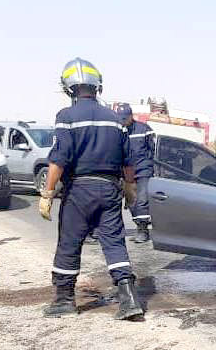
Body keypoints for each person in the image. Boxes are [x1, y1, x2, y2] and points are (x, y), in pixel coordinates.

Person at [39, 58, 144, 320]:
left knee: (69, 243)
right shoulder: (116, 119)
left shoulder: (66, 117)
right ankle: (129, 300)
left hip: (79, 191)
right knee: (114, 242)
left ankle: (64, 300)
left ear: (69, 88)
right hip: (110, 189)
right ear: (97, 86)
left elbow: (58, 159)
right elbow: (128, 162)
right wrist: (130, 189)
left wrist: (47, 193)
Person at [116, 104, 155, 243]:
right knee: (131, 202)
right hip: (127, 173)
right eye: (121, 118)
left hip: (144, 171)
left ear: (132, 116)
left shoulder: (144, 129)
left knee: (142, 201)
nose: (123, 121)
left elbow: (153, 151)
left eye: (125, 118)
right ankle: (139, 226)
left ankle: (143, 231)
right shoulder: (119, 131)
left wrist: (150, 166)